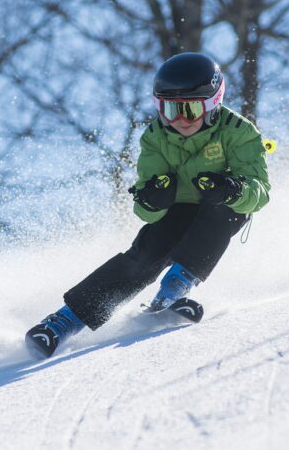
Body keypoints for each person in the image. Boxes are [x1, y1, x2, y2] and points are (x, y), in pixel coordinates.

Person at [25, 52, 271, 358]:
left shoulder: (239, 131)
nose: (179, 120)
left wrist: (232, 189)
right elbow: (145, 209)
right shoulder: (156, 137)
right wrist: (153, 198)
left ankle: (173, 290)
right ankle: (63, 322)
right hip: (177, 209)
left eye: (190, 109)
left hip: (220, 206)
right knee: (146, 253)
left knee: (226, 212)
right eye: (169, 109)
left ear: (212, 104)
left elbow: (260, 192)